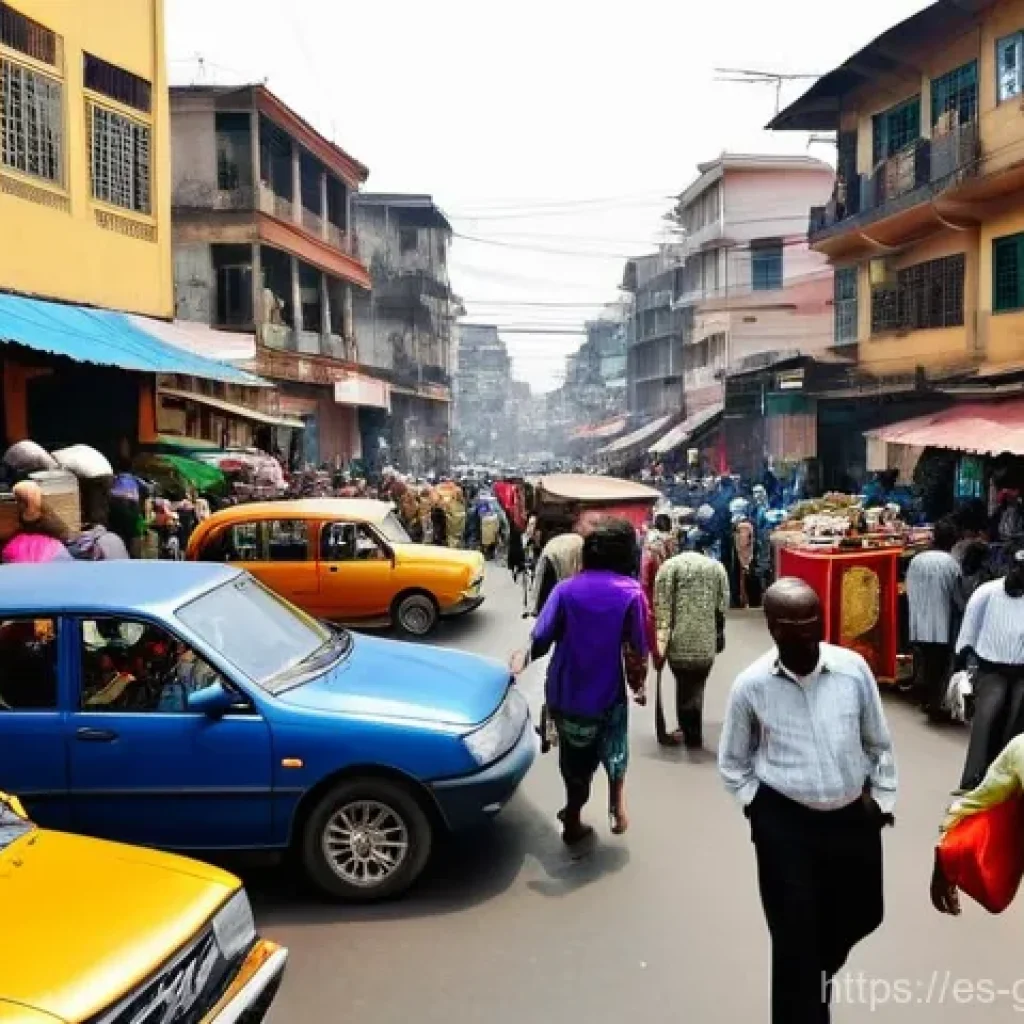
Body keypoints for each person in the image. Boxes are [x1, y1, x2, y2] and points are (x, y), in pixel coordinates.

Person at [718, 578, 897, 1024]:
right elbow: (733, 760)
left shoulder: (853, 670)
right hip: (785, 824)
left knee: (863, 913)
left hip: (853, 817)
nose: (804, 637)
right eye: (792, 628)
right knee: (794, 939)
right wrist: (756, 806)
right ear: (772, 627)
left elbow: (878, 743)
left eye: (812, 625)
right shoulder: (751, 685)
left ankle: (816, 972)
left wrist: (882, 800)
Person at [513, 518, 649, 843]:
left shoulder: (565, 589)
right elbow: (636, 650)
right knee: (615, 744)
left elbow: (541, 638)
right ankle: (617, 797)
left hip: (566, 693)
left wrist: (523, 657)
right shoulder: (631, 593)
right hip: (607, 692)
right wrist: (638, 685)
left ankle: (573, 815)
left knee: (574, 762)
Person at [955, 547, 1024, 792]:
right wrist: (963, 665)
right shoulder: (987, 592)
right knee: (986, 716)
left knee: (1016, 725)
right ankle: (973, 778)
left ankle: (1007, 782)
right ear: (1011, 568)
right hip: (990, 665)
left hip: (1021, 671)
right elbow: (969, 629)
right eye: (1018, 569)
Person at [652, 533, 729, 748]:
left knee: (683, 685)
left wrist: (659, 644)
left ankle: (688, 729)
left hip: (678, 641)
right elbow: (723, 604)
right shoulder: (716, 568)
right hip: (705, 642)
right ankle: (691, 730)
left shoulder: (669, 567)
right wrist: (719, 632)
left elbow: (662, 607)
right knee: (697, 685)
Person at [905, 518, 961, 717]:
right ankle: (934, 703)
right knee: (938, 664)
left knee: (924, 660)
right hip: (940, 624)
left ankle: (924, 697)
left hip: (918, 621)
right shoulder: (952, 564)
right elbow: (957, 597)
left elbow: (909, 588)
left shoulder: (917, 559)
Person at [529, 526, 584, 616]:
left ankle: (541, 610)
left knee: (546, 586)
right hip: (560, 557)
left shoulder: (572, 540)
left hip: (549, 554)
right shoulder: (580, 542)